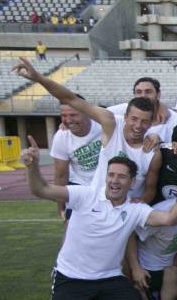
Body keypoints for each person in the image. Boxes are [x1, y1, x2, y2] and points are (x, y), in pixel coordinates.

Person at [21, 137, 177, 300]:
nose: (115, 180)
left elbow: (170, 219)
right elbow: (41, 190)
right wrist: (32, 167)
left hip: (109, 278)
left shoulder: (134, 210)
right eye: (111, 175)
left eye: (122, 177)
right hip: (72, 276)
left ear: (132, 183)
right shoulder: (85, 195)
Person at [15, 58, 160, 203]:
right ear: (125, 116)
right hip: (95, 201)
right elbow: (70, 99)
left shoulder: (152, 151)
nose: (138, 125)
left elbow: (150, 188)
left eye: (145, 121)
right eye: (134, 119)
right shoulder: (111, 124)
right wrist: (38, 78)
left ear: (150, 123)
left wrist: (139, 203)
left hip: (125, 212)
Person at [49, 99, 103, 220]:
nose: (68, 120)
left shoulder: (103, 122)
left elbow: (129, 111)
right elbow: (60, 175)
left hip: (105, 185)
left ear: (86, 112)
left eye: (73, 115)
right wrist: (61, 208)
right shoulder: (61, 137)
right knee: (71, 227)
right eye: (63, 116)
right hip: (79, 185)